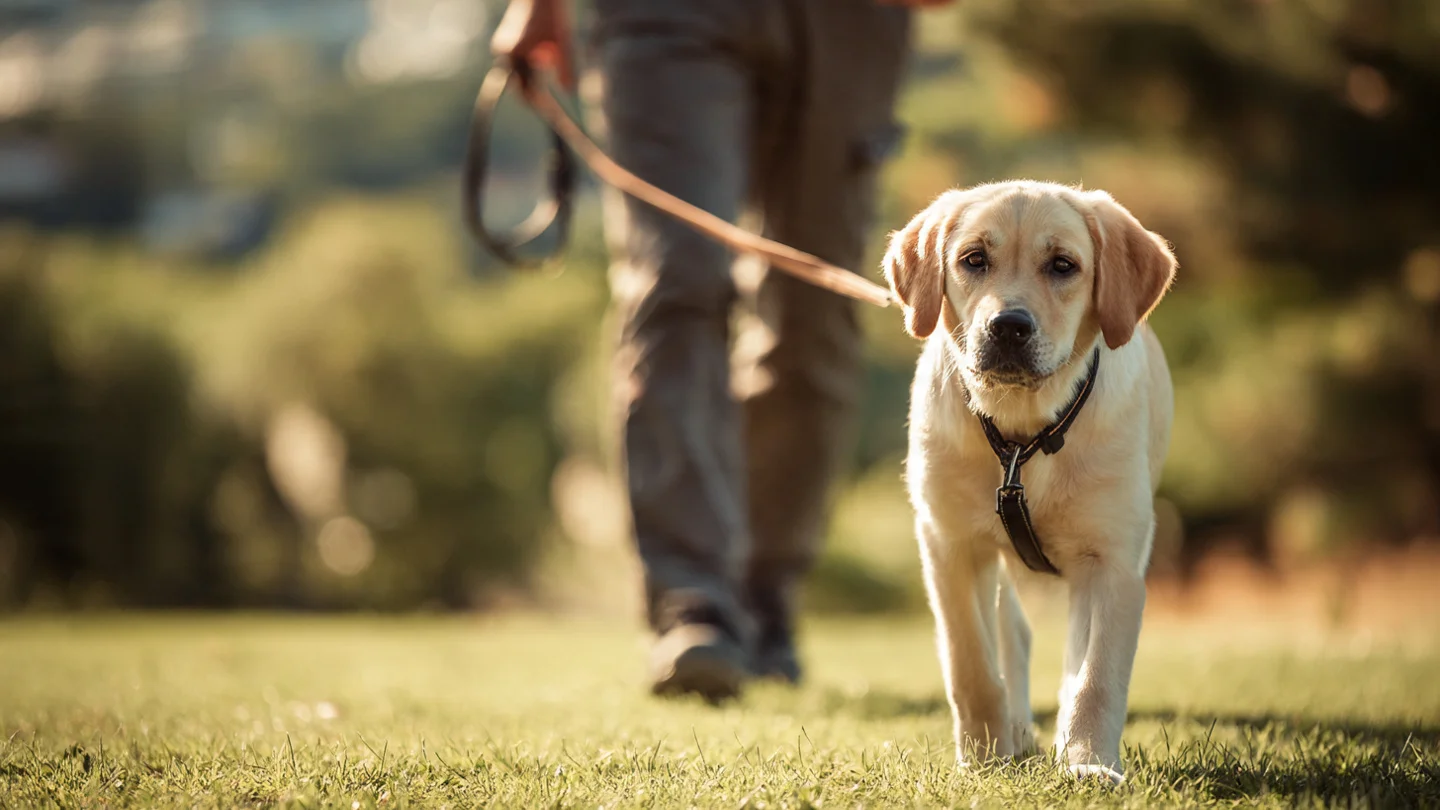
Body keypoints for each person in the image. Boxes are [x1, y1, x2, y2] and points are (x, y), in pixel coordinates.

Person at [492, 0, 953, 701]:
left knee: (814, 313)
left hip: (848, 18)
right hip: (668, 16)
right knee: (678, 284)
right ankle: (695, 605)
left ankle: (764, 600)